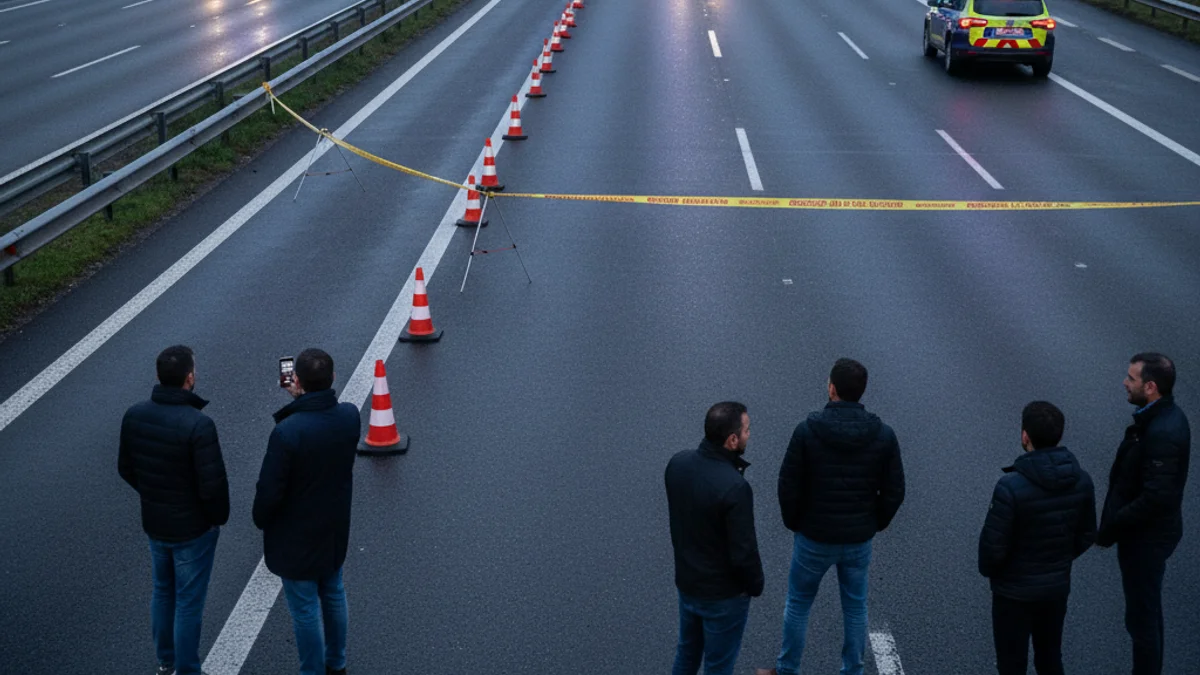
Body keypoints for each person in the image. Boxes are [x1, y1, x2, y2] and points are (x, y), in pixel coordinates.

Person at [757, 358, 905, 675]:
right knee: (855, 606)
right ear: (861, 393)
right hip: (857, 539)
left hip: (813, 537)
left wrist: (795, 522)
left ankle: (788, 669)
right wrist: (874, 522)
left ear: (831, 388)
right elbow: (895, 490)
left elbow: (788, 485)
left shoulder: (808, 431)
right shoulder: (883, 435)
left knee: (798, 604)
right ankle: (852, 670)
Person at [119, 345, 229, 675]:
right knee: (188, 602)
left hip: (155, 523)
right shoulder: (198, 425)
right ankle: (188, 669)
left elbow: (126, 468)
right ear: (190, 378)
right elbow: (212, 487)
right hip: (193, 530)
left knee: (163, 592)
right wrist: (216, 518)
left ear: (158, 376)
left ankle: (166, 662)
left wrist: (153, 494)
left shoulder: (135, 415)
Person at [253, 349, 361, 675]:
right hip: (333, 528)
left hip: (296, 537)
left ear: (296, 381)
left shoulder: (287, 432)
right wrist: (302, 398)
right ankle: (336, 663)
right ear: (334, 379)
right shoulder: (350, 416)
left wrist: (261, 520)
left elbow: (269, 492)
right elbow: (324, 418)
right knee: (333, 592)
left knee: (304, 610)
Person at [978, 401, 1096, 675]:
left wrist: (998, 574)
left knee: (1011, 663)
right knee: (1050, 656)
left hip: (1013, 594)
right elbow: (1087, 533)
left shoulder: (1010, 487)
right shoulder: (1082, 480)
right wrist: (1060, 559)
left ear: (1025, 436)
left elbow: (992, 549)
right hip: (1055, 588)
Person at [1097, 353, 1190, 675]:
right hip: (1149, 534)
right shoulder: (1159, 419)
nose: (1125, 382)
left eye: (1131, 378)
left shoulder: (1163, 431)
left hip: (1146, 538)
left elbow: (1156, 497)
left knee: (1142, 619)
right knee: (1147, 613)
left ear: (1150, 387)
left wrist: (1117, 521)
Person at [664, 402, 764, 675]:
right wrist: (755, 585)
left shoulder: (677, 464)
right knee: (718, 666)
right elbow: (743, 552)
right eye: (746, 430)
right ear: (732, 440)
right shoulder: (735, 487)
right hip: (723, 596)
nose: (749, 434)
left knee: (686, 653)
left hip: (688, 583)